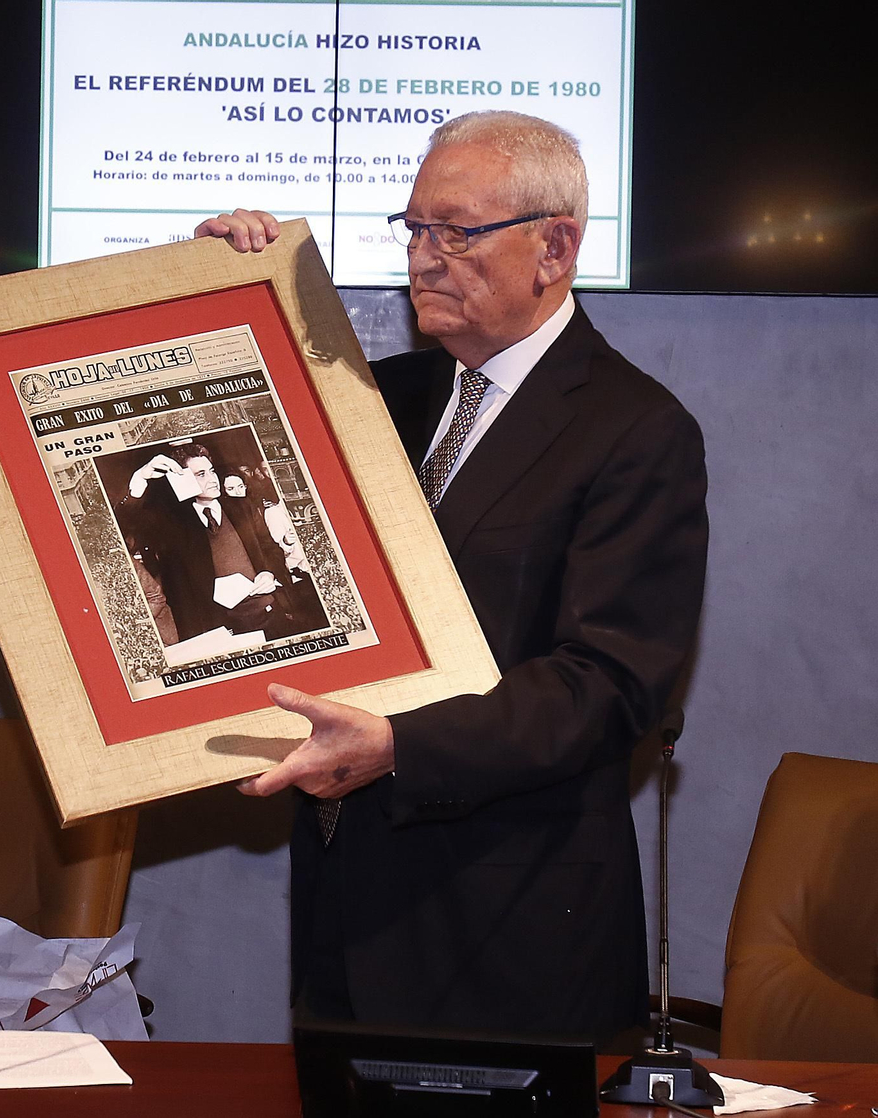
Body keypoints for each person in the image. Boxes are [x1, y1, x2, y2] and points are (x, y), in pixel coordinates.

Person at [197, 111, 708, 1041]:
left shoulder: (637, 430)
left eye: (457, 232)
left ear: (555, 248)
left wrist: (400, 744)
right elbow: (225, 460)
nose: (423, 258)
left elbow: (610, 685)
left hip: (510, 931)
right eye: (414, 228)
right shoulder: (382, 398)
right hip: (343, 905)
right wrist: (212, 293)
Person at [117, 441, 326, 646]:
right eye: (201, 474)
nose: (212, 479)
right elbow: (122, 529)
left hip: (270, 615)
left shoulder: (242, 507)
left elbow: (270, 549)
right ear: (180, 479)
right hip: (221, 629)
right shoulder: (173, 523)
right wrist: (140, 478)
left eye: (212, 471)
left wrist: (268, 572)